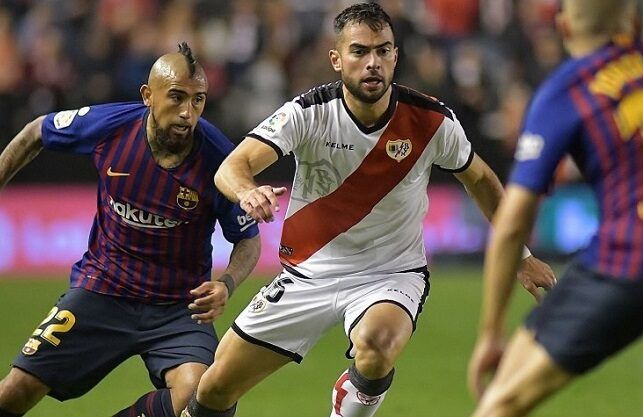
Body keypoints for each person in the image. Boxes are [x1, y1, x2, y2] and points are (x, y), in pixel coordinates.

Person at [181, 4, 556, 417]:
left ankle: (350, 404)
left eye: (383, 50)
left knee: (376, 346)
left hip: (390, 274)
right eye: (360, 51)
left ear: (396, 56)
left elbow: (482, 180)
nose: (373, 63)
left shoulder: (431, 121)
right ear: (336, 59)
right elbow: (232, 168)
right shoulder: (308, 113)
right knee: (214, 389)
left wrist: (520, 256)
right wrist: (247, 192)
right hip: (308, 272)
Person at [0, 43, 261, 417]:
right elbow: (34, 133)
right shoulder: (111, 126)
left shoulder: (219, 160)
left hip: (178, 307)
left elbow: (248, 242)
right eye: (176, 97)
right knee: (17, 388)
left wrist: (227, 284)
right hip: (103, 289)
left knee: (203, 395)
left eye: (198, 100)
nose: (187, 113)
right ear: (148, 95)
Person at [467, 1, 643, 416]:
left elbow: (513, 222)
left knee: (501, 403)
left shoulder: (569, 88)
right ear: (635, 25)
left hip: (631, 259)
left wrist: (492, 332)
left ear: (565, 28)